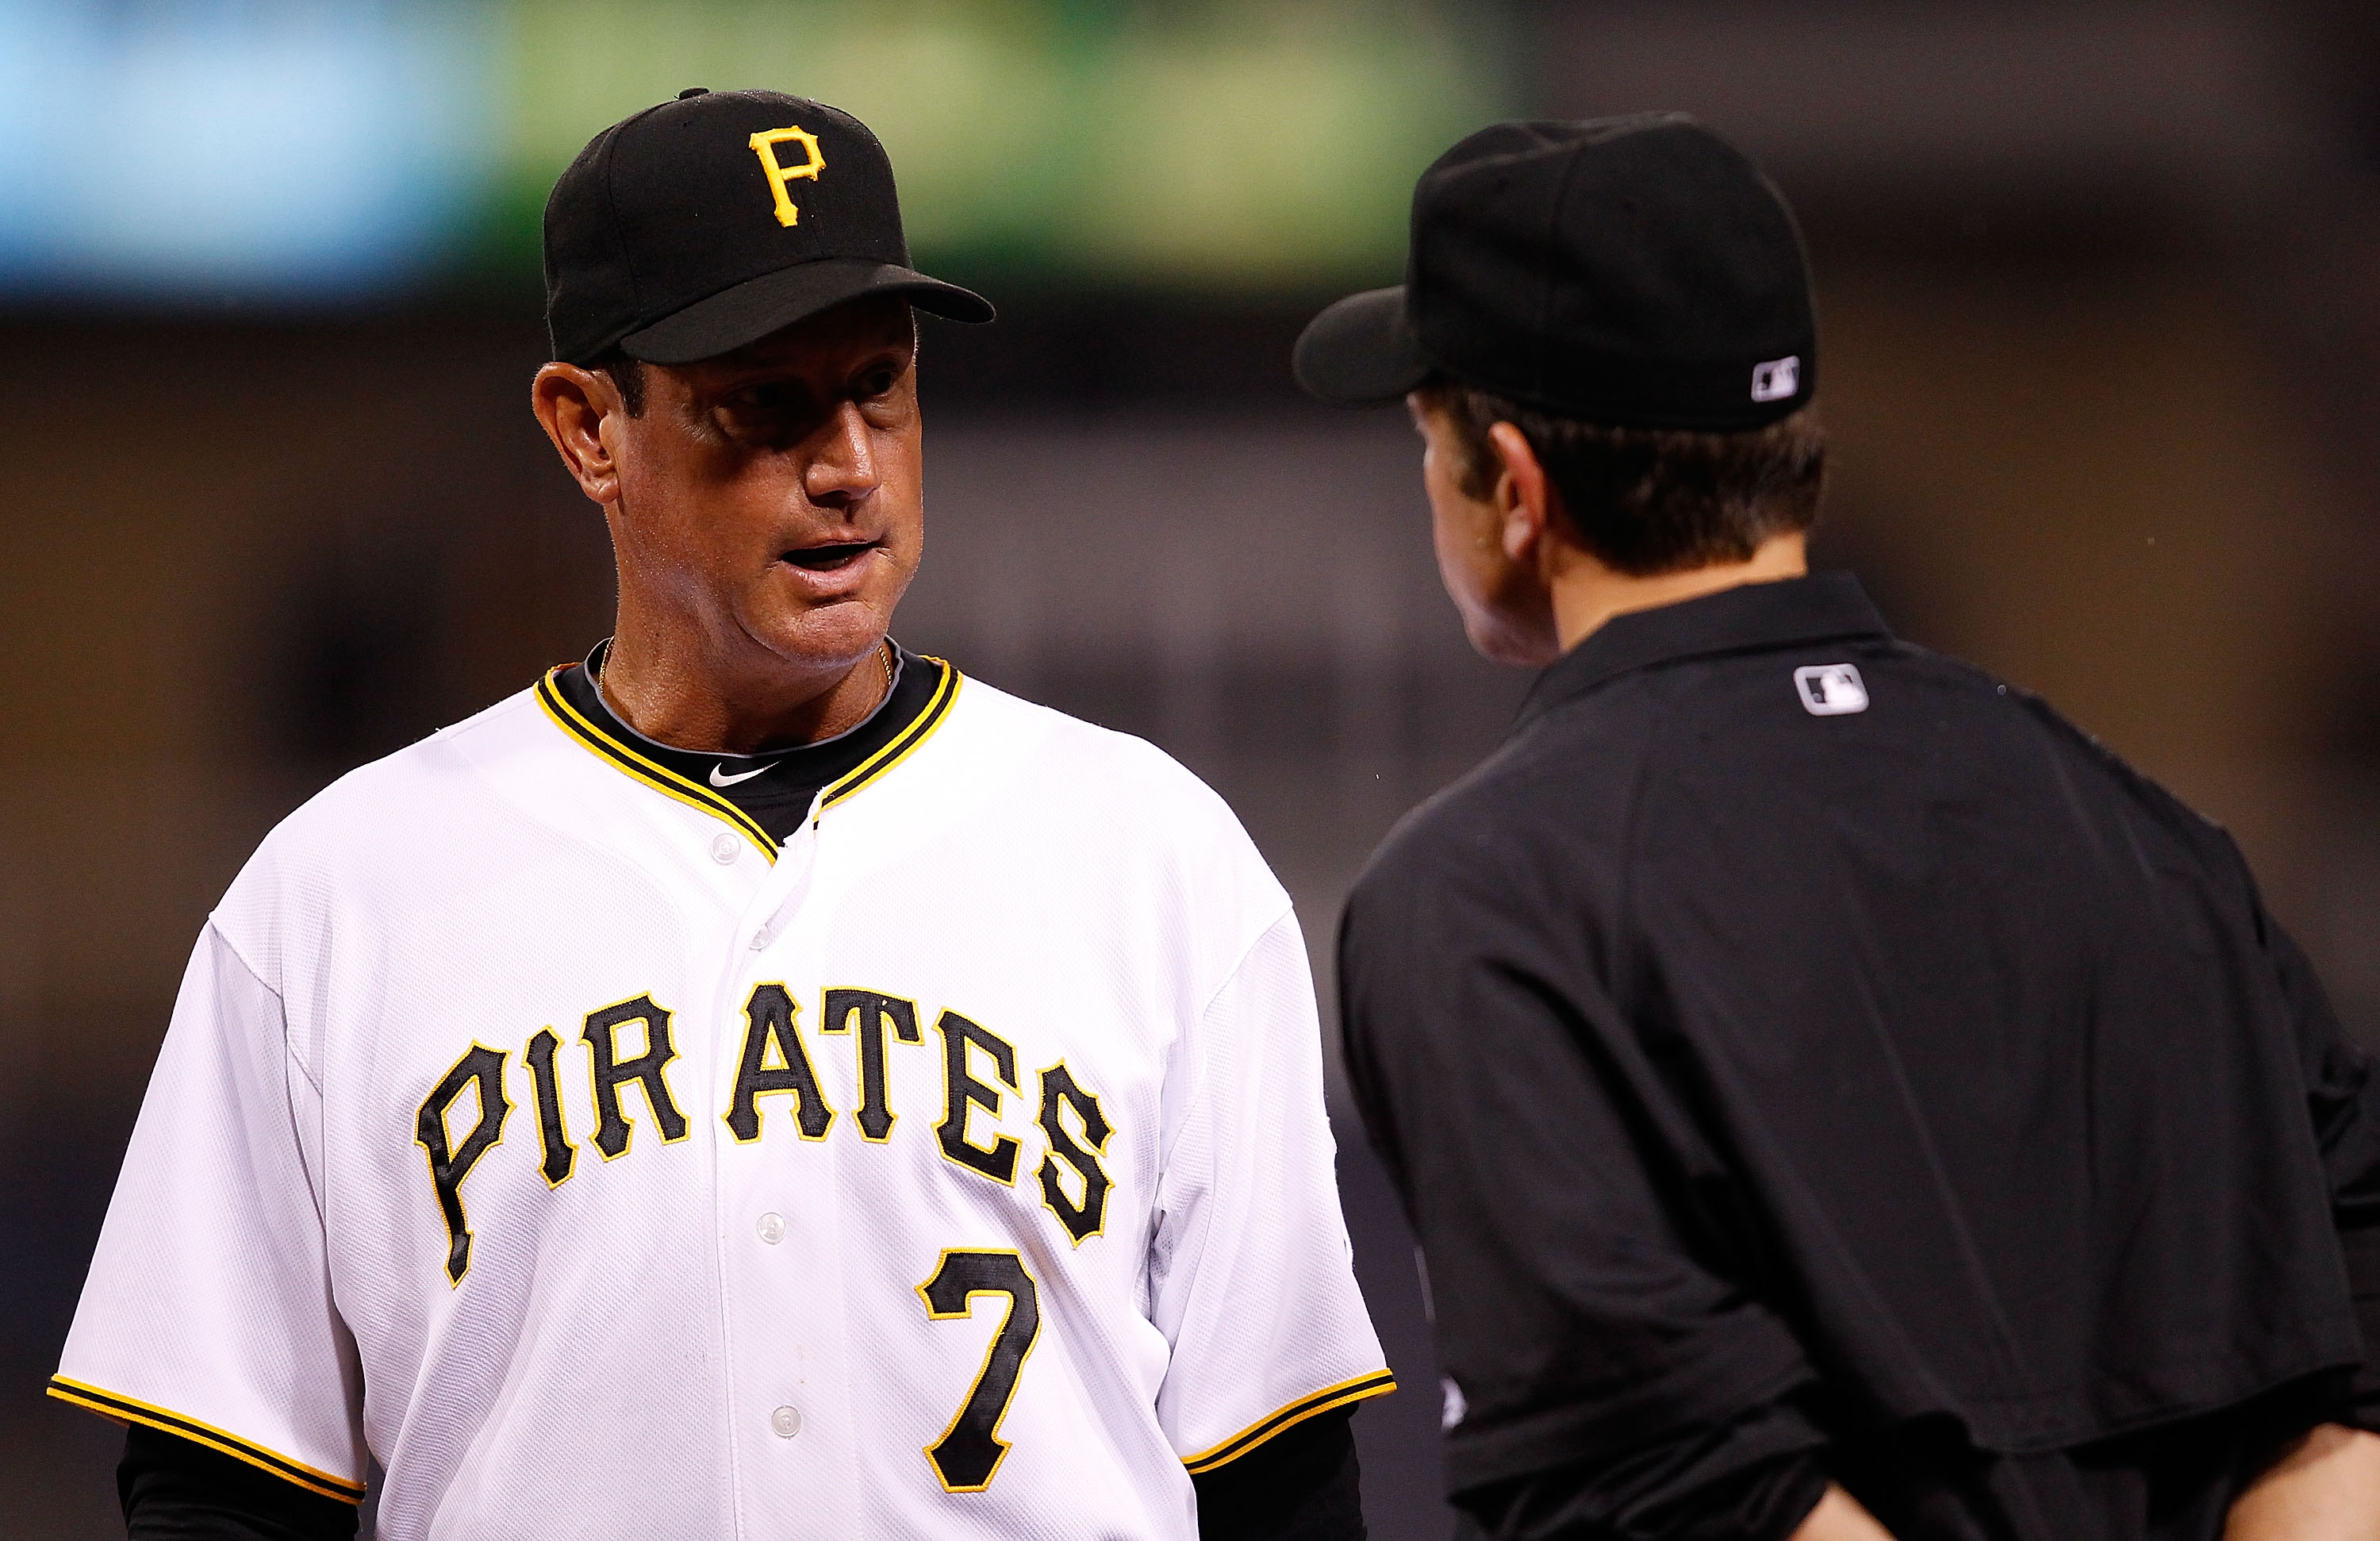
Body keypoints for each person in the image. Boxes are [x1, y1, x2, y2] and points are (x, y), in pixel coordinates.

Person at [52, 89, 1392, 1541]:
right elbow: (218, 1487)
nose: (848, 466)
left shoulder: (1154, 857)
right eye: (765, 404)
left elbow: (1280, 1476)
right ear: (589, 431)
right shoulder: (336, 897)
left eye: (879, 385)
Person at [1297, 113, 2380, 1541]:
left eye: (1430, 440)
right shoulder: (2158, 845)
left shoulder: (1486, 897)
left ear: (1515, 484)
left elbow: (1688, 1486)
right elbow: (2328, 1401)